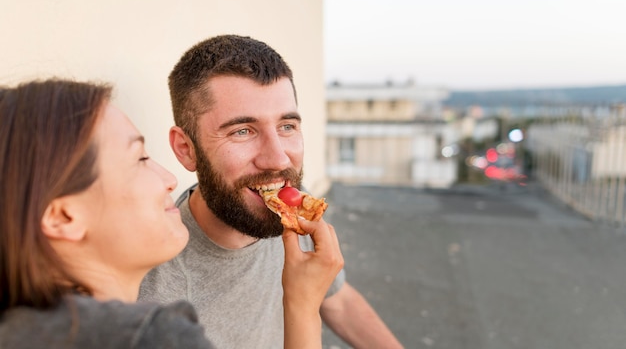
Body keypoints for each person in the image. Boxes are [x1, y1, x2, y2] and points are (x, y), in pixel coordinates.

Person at [0, 78, 344, 349]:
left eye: (287, 126)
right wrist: (302, 308)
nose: (168, 179)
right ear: (62, 218)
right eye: (139, 159)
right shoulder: (152, 336)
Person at [139, 34, 403, 348]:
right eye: (242, 131)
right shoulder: (152, 301)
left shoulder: (289, 203)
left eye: (287, 126)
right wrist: (301, 305)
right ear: (186, 149)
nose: (277, 159)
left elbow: (337, 300)